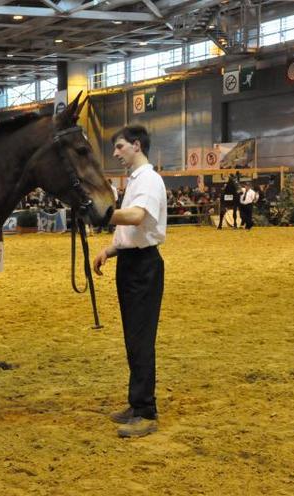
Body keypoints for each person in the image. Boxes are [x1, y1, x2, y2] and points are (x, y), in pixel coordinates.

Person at [93, 124, 167, 438]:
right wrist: (110, 250)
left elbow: (137, 217)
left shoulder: (149, 179)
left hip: (143, 266)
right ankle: (136, 404)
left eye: (120, 146)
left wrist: (101, 214)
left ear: (136, 145)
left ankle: (146, 411)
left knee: (140, 338)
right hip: (131, 261)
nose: (115, 153)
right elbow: (132, 231)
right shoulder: (137, 180)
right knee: (133, 338)